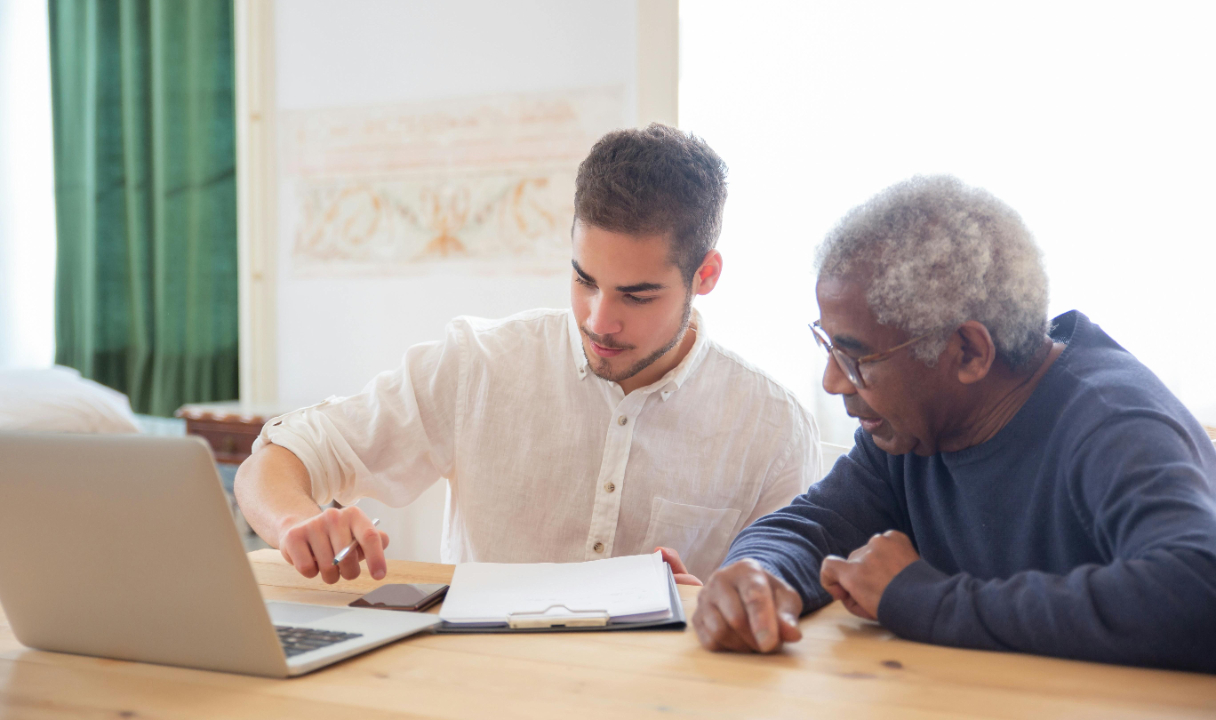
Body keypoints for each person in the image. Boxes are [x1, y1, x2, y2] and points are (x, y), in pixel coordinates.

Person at [235, 124, 820, 589]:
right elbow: (276, 460)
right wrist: (296, 523)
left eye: (636, 296)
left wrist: (714, 607)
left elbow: (781, 598)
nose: (598, 320)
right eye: (584, 279)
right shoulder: (478, 364)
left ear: (706, 275)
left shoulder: (772, 427)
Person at [694, 175, 1216, 672]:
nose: (834, 381)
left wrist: (921, 598)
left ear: (968, 352)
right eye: (828, 346)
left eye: (857, 358)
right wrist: (759, 575)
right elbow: (812, 526)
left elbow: (1197, 591)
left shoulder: (1114, 425)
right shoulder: (911, 431)